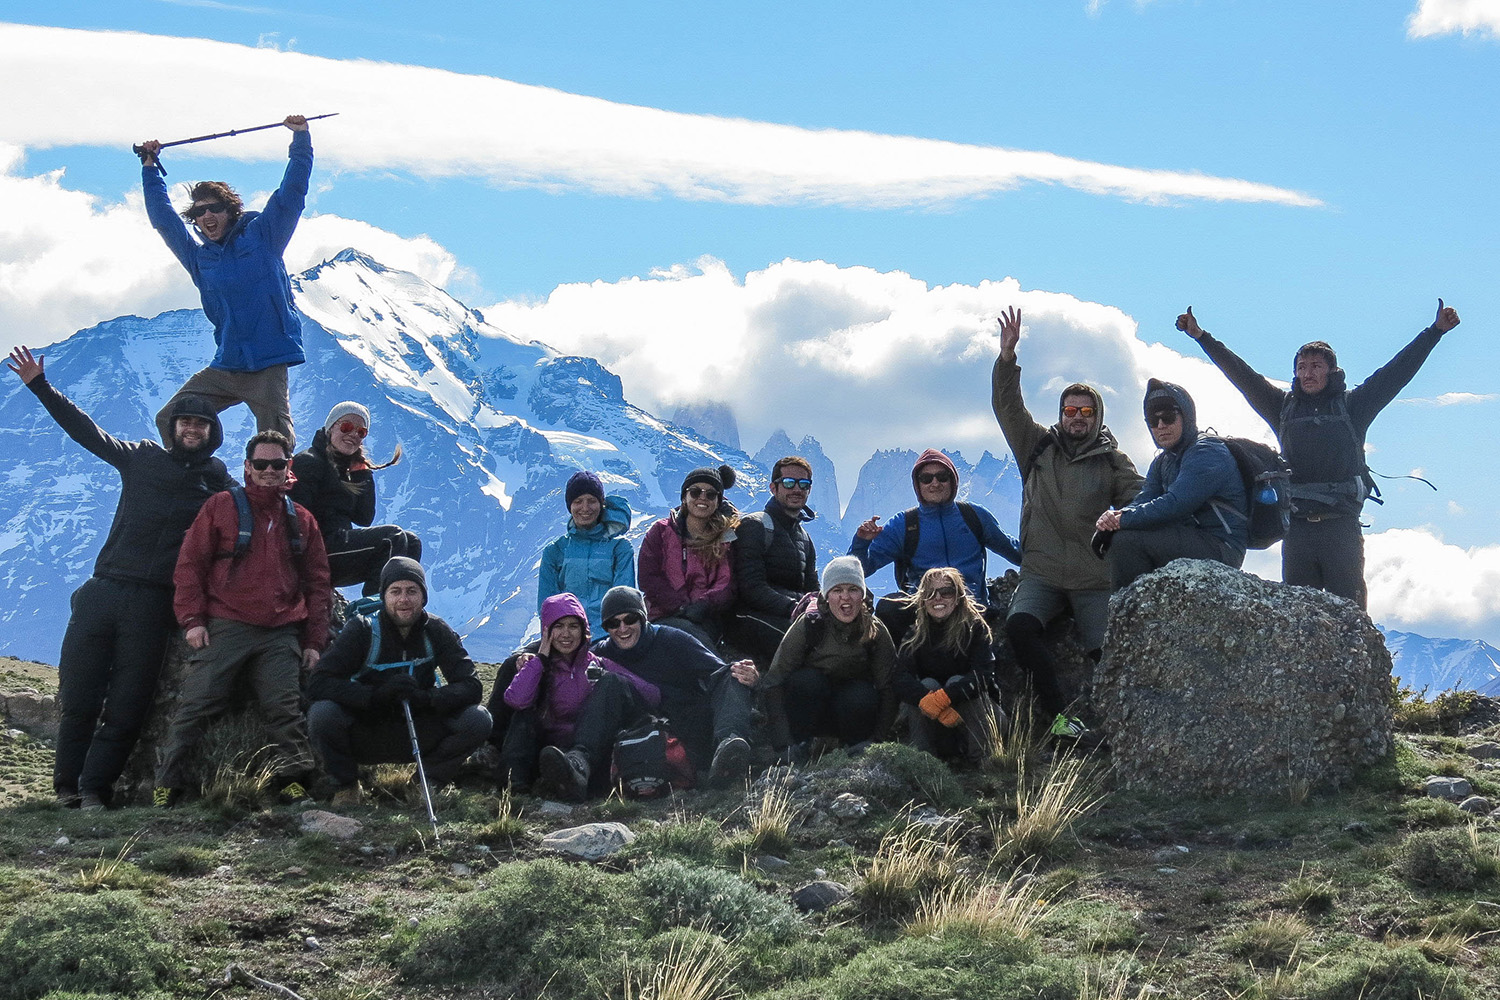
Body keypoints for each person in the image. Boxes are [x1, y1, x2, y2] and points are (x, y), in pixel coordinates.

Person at [6, 345, 234, 810]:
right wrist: (40, 387)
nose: (191, 429)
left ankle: (95, 790)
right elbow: (91, 435)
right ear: (172, 428)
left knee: (130, 705)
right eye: (184, 422)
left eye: (201, 424)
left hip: (154, 604)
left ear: (213, 433)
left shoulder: (219, 482)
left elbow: (261, 502)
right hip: (103, 590)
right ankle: (67, 789)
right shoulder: (142, 457)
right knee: (79, 699)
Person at [1178, 301, 1461, 608]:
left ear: (1332, 371)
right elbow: (1242, 375)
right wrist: (1201, 337)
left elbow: (1395, 373)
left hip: (1341, 527)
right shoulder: (1282, 407)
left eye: (1316, 366)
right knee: (1298, 617)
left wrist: (1435, 332)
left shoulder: (1353, 406)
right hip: (1297, 529)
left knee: (1350, 616)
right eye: (1301, 367)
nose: (1307, 373)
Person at [154, 430, 331, 805]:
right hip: (226, 624)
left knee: (284, 709)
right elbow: (190, 566)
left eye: (277, 464)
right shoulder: (220, 507)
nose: (269, 471)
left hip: (281, 630)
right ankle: (166, 788)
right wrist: (193, 620)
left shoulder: (301, 520)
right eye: (261, 464)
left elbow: (318, 585)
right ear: (247, 467)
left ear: (288, 468)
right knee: (197, 704)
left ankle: (294, 783)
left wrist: (314, 642)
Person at [991, 306, 1143, 735]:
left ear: (1097, 417)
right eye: (1070, 411)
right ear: (1060, 415)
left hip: (1094, 578)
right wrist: (1007, 360)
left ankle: (1125, 732)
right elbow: (1007, 408)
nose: (1077, 419)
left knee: (1108, 653)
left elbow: (1142, 502)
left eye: (1085, 413)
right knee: (1021, 628)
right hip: (1041, 573)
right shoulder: (1037, 447)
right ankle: (1061, 720)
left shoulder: (1114, 461)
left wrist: (1122, 517)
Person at [138, 114, 313, 448]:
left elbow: (292, 193)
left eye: (214, 208)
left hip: (267, 365)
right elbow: (164, 221)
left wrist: (301, 139)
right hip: (227, 364)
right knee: (170, 418)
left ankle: (276, 495)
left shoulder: (264, 236)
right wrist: (149, 167)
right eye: (199, 213)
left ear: (230, 210)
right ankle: (191, 477)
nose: (206, 216)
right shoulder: (199, 259)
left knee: (275, 442)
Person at [306, 557, 491, 806]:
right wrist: (373, 696)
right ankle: (347, 786)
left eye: (412, 591)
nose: (404, 599)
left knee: (478, 719)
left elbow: (471, 686)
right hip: (366, 728)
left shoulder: (436, 630)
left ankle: (425, 783)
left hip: (419, 725)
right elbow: (319, 683)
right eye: (395, 591)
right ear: (384, 596)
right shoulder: (361, 630)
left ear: (423, 597)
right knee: (322, 714)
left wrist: (427, 699)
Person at [591, 587, 759, 785]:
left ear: (643, 618)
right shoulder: (600, 655)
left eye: (630, 619)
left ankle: (729, 746)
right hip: (640, 734)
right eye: (613, 623)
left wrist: (749, 677)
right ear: (606, 628)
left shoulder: (673, 639)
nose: (622, 629)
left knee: (734, 674)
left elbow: (718, 673)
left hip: (688, 725)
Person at [498, 593, 660, 798]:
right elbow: (516, 700)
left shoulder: (598, 664)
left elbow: (652, 695)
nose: (566, 634)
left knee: (612, 682)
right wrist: (539, 661)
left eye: (573, 626)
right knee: (524, 713)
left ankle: (576, 770)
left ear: (584, 630)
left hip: (589, 756)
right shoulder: (536, 666)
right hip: (548, 752)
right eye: (558, 626)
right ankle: (515, 787)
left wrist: (608, 681)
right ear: (546, 631)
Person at [848, 448, 1020, 640]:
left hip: (970, 607)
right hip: (922, 609)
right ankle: (897, 667)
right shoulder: (903, 524)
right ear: (918, 485)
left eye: (942, 476)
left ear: (953, 480)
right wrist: (862, 542)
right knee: (888, 608)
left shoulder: (974, 516)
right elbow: (858, 571)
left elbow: (1014, 551)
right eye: (926, 478)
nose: (935, 483)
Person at [1095, 380, 1248, 592]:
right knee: (1121, 536)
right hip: (1191, 538)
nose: (1160, 426)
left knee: (1127, 541)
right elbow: (1143, 500)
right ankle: (1134, 610)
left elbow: (1177, 503)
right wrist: (1112, 519)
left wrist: (1122, 522)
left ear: (1186, 416)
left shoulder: (1207, 451)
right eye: (1152, 420)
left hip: (1222, 546)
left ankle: (1132, 614)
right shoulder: (1163, 461)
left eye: (1167, 417)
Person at [760, 556, 896, 761]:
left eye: (853, 589)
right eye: (837, 590)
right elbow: (774, 681)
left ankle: (853, 749)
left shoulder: (875, 630)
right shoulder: (810, 624)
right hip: (809, 709)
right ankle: (801, 747)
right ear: (826, 596)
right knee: (807, 682)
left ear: (863, 594)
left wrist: (877, 741)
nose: (845, 598)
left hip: (851, 712)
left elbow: (888, 688)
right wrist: (783, 744)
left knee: (861, 695)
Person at [290, 402, 421, 597]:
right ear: (331, 427)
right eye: (347, 427)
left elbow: (364, 517)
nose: (353, 434)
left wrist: (362, 475)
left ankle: (396, 605)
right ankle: (374, 611)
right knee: (391, 538)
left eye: (361, 432)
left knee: (411, 543)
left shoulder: (348, 469)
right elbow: (295, 515)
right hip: (314, 550)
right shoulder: (309, 461)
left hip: (336, 546)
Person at [892, 568, 997, 766]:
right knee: (927, 684)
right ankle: (924, 764)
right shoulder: (914, 634)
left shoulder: (975, 628)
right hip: (937, 725)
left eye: (946, 592)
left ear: (958, 597)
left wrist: (946, 697)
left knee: (957, 681)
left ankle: (984, 763)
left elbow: (983, 674)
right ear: (922, 599)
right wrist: (927, 699)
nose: (937, 598)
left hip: (979, 721)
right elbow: (900, 678)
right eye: (930, 593)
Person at [727, 456, 820, 664]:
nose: (797, 489)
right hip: (749, 619)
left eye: (804, 484)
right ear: (773, 488)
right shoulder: (754, 526)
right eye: (789, 483)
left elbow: (812, 587)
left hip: (792, 615)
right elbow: (751, 588)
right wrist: (794, 608)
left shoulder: (805, 539)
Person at [637, 465, 740, 647]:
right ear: (684, 497)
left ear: (718, 501)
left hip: (708, 617)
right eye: (695, 492)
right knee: (684, 638)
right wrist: (679, 606)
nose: (702, 498)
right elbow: (649, 578)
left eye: (710, 494)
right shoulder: (660, 532)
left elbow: (727, 582)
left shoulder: (726, 538)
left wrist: (703, 605)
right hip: (664, 615)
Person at [538, 470, 635, 634]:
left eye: (592, 501)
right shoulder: (554, 551)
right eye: (578, 501)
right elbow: (547, 607)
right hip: (569, 637)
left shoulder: (620, 549)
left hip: (610, 635)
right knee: (518, 660)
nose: (585, 508)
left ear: (601, 504)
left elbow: (624, 601)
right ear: (570, 506)